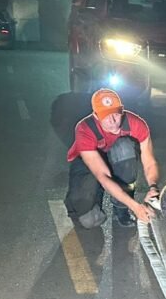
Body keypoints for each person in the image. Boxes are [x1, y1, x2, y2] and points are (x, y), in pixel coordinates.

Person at [65, 88, 159, 228]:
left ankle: (120, 207)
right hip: (89, 161)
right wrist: (135, 206)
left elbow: (149, 161)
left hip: (113, 156)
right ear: (96, 116)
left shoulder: (136, 123)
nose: (113, 120)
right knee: (89, 220)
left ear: (122, 110)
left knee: (125, 148)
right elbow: (103, 175)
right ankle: (94, 192)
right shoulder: (85, 129)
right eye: (106, 115)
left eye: (116, 113)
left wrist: (153, 186)